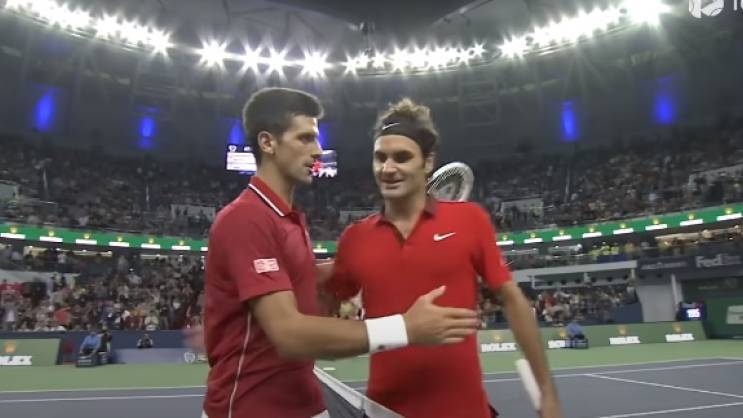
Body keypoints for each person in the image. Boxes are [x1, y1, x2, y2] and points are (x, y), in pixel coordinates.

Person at [201, 87, 479, 418]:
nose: (318, 150)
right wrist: (404, 327)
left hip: (304, 402)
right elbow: (289, 335)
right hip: (251, 408)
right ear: (268, 143)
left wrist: (370, 259)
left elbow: (311, 293)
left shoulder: (288, 219)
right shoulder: (246, 218)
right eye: (305, 138)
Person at [325, 98, 563, 418]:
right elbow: (328, 312)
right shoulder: (355, 239)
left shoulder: (470, 220)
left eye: (402, 157)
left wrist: (547, 390)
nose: (388, 168)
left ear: (427, 162)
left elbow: (512, 300)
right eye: (380, 157)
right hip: (384, 411)